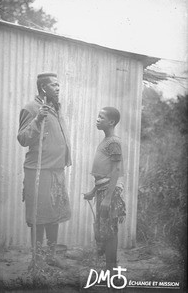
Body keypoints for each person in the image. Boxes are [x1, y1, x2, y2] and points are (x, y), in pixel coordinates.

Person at [17, 72, 71, 266]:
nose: (58, 88)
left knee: (54, 215)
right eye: (54, 85)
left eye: (59, 85)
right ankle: (37, 259)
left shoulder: (55, 107)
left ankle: (51, 257)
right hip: (38, 170)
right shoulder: (31, 108)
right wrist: (38, 119)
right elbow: (23, 138)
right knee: (39, 216)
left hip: (55, 170)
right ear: (43, 88)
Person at [83, 106, 126, 274]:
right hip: (103, 189)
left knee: (110, 231)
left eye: (101, 117)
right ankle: (108, 266)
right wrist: (93, 192)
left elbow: (116, 171)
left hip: (110, 192)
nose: (97, 119)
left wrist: (108, 198)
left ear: (111, 122)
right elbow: (105, 172)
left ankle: (111, 269)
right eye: (97, 116)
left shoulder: (114, 142)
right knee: (105, 230)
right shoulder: (106, 140)